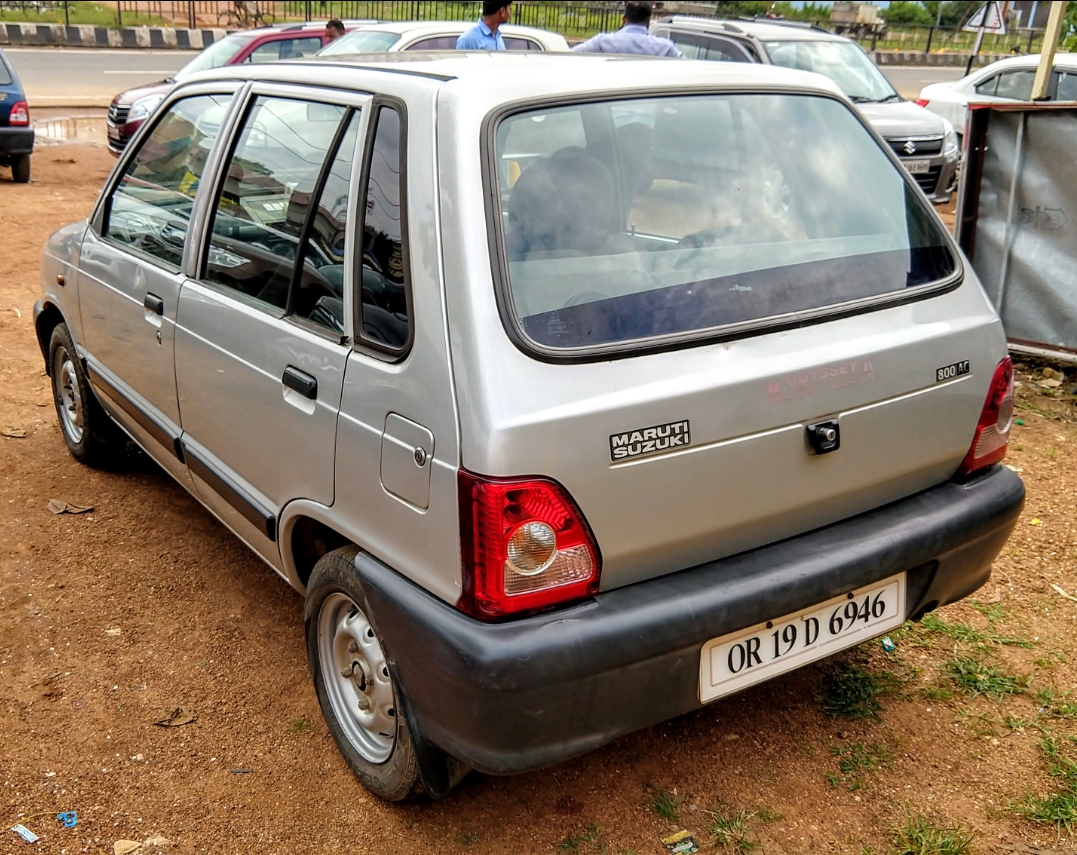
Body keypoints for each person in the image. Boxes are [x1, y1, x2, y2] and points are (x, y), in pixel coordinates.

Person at [571, 0, 682, 57]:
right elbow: (688, 67)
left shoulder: (602, 42)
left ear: (623, 19)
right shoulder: (665, 48)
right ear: (648, 23)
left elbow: (570, 56)